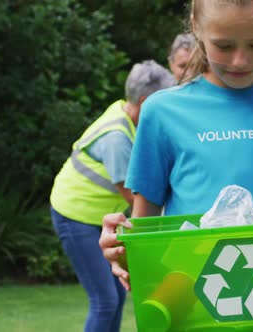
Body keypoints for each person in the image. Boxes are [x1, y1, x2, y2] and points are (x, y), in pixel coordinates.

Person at [99, 1, 253, 332]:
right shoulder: (161, 112)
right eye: (223, 46)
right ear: (196, 29)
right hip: (192, 316)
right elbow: (146, 232)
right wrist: (121, 247)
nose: (240, 60)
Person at [49, 60, 175, 332]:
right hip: (76, 217)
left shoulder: (126, 116)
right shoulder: (117, 137)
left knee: (115, 296)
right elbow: (134, 197)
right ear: (144, 101)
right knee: (105, 300)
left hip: (96, 218)